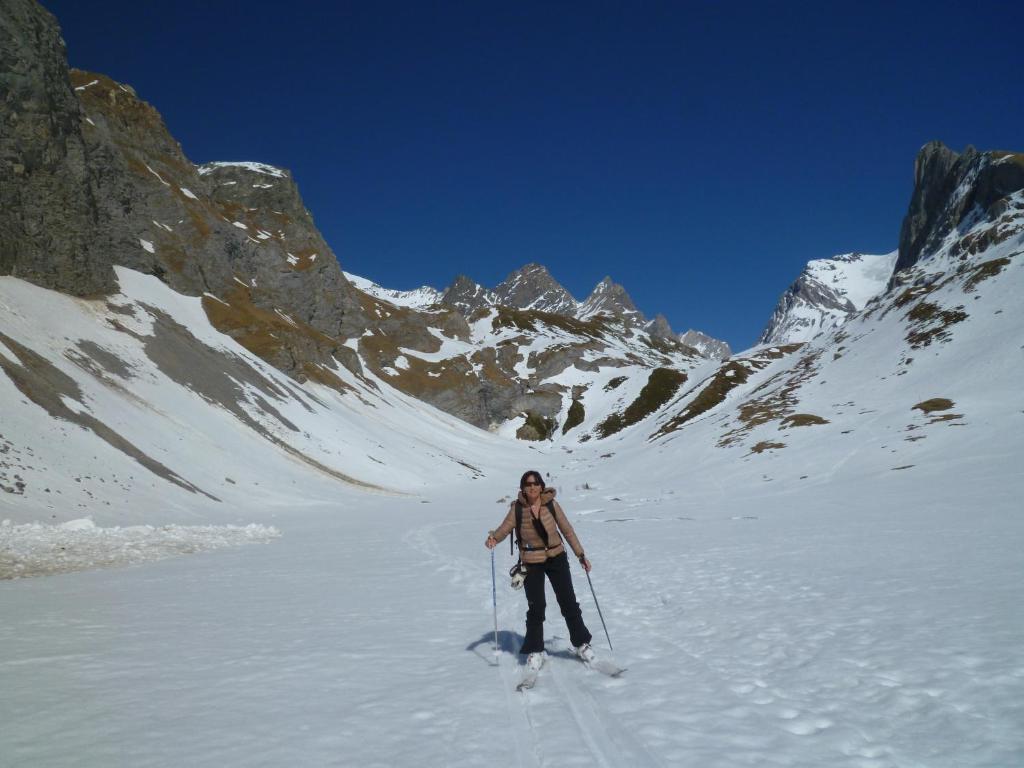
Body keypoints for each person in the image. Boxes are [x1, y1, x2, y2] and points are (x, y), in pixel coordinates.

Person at [485, 470, 595, 672]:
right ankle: (536, 649)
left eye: (536, 483)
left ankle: (581, 643)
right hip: (531, 561)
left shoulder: (551, 504)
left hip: (557, 558)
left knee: (568, 602)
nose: (532, 487)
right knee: (536, 607)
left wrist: (581, 555)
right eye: (528, 484)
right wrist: (494, 538)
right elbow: (505, 528)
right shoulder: (517, 509)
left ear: (542, 486)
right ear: (523, 488)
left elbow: (567, 530)